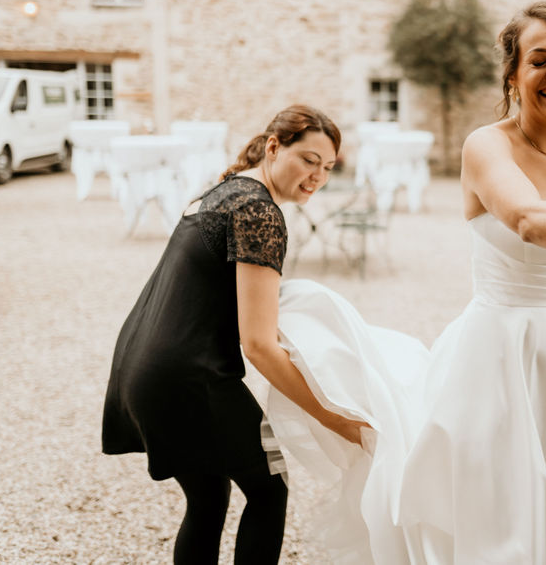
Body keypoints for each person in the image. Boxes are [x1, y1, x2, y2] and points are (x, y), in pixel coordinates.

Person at [265, 1, 546, 563]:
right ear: (514, 74)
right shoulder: (486, 146)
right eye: (539, 60)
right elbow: (527, 221)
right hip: (501, 351)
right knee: (502, 512)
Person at [101, 105, 370, 565]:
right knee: (270, 490)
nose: (317, 177)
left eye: (327, 168)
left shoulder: (225, 192)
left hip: (142, 367)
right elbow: (259, 345)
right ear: (272, 147)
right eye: (308, 160)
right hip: (190, 378)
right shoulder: (259, 212)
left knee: (208, 496)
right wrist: (334, 417)